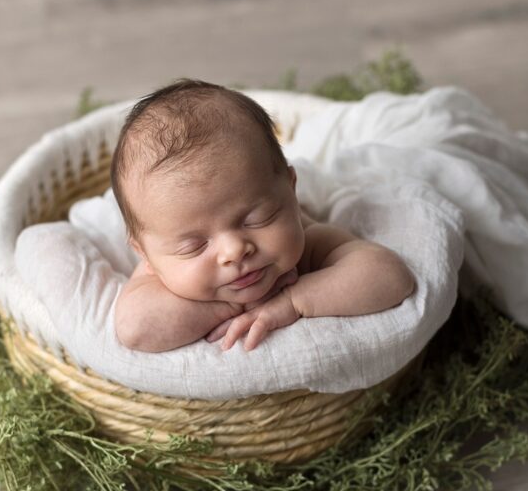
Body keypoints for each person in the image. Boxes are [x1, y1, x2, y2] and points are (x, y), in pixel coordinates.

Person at [112, 78, 415, 353]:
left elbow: (390, 277)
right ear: (145, 255)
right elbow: (135, 329)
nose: (234, 251)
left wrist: (294, 301)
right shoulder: (159, 270)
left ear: (291, 193)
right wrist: (234, 305)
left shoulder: (308, 243)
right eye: (195, 246)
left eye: (256, 219)